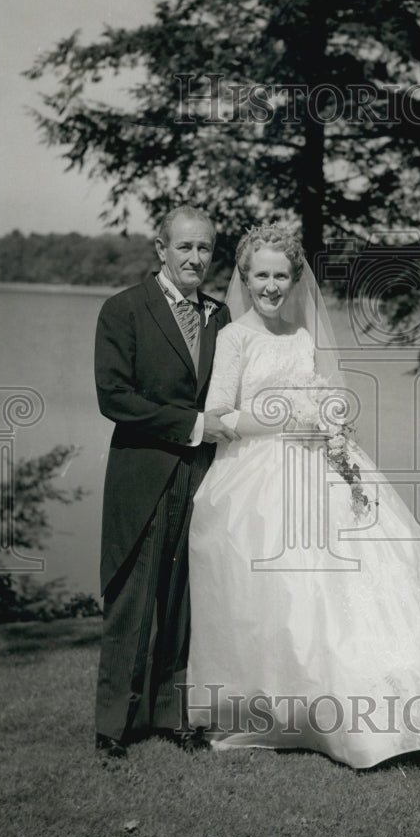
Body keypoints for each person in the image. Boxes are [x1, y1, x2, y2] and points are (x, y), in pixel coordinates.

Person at [185, 223, 420, 769]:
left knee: (369, 575)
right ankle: (288, 708)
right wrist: (286, 416)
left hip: (318, 462)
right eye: (260, 276)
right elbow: (220, 416)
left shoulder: (301, 338)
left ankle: (407, 703)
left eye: (280, 275)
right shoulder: (234, 337)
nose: (271, 286)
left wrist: (329, 415)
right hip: (257, 473)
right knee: (288, 591)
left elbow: (330, 394)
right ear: (244, 279)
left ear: (294, 278)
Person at [93, 205, 238, 759]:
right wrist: (195, 425)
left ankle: (173, 714)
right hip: (142, 474)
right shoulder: (124, 310)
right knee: (132, 600)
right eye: (185, 247)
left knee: (184, 599)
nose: (195, 258)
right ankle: (114, 727)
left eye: (204, 248)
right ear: (161, 249)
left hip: (201, 479)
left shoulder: (222, 318)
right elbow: (115, 398)